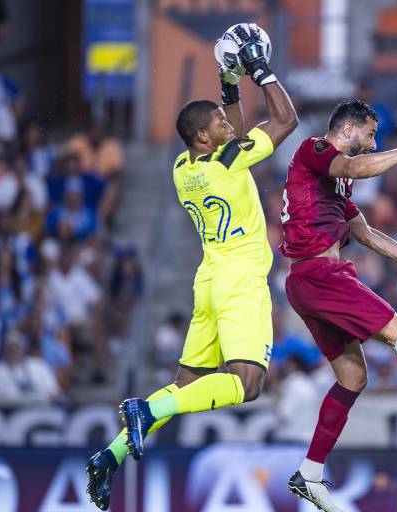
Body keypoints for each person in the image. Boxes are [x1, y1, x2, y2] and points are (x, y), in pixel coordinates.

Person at [85, 24, 298, 511]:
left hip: (208, 282)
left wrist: (228, 83)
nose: (230, 126)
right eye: (221, 122)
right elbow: (285, 120)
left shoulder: (186, 167)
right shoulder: (226, 161)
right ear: (204, 136)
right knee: (247, 384)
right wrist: (260, 70)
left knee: (187, 388)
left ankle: (110, 455)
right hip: (241, 280)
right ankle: (145, 408)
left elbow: (238, 135)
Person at [279, 98, 397, 512]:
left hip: (309, 280)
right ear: (348, 129)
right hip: (320, 276)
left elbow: (366, 234)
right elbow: (353, 166)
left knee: (352, 378)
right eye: (371, 132)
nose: (373, 141)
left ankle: (309, 472)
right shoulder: (314, 150)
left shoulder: (338, 182)